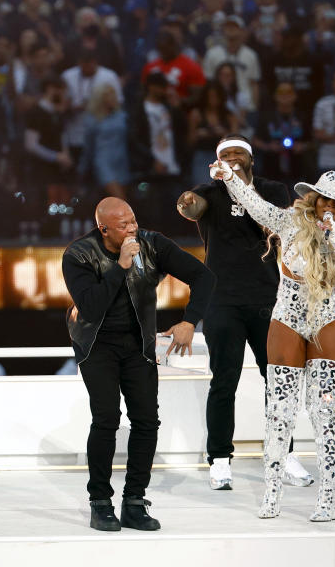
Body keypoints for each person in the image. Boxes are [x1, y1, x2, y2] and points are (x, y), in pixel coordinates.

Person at [210, 165, 335, 522]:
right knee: (279, 411)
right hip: (287, 317)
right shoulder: (289, 223)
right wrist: (230, 178)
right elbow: (254, 204)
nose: (329, 206)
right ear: (314, 197)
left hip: (326, 317)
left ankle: (328, 496)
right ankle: (271, 493)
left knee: (325, 411)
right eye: (324, 198)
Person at [62, 197, 215, 532]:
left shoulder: (153, 243)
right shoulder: (78, 254)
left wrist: (190, 321)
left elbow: (203, 277)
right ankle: (100, 502)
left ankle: (134, 501)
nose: (132, 229)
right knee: (106, 419)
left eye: (133, 221)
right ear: (104, 229)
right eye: (123, 225)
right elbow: (90, 306)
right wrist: (121, 265)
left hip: (138, 345)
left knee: (146, 420)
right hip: (96, 345)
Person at [177, 136, 314, 492]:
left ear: (250, 158)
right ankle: (220, 460)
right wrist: (187, 203)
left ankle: (283, 455)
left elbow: (275, 226)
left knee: (278, 381)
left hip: (269, 299)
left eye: (237, 153)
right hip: (222, 300)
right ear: (215, 161)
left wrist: (239, 187)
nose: (231, 159)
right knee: (224, 381)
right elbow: (190, 208)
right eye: (224, 155)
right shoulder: (208, 191)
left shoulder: (273, 190)